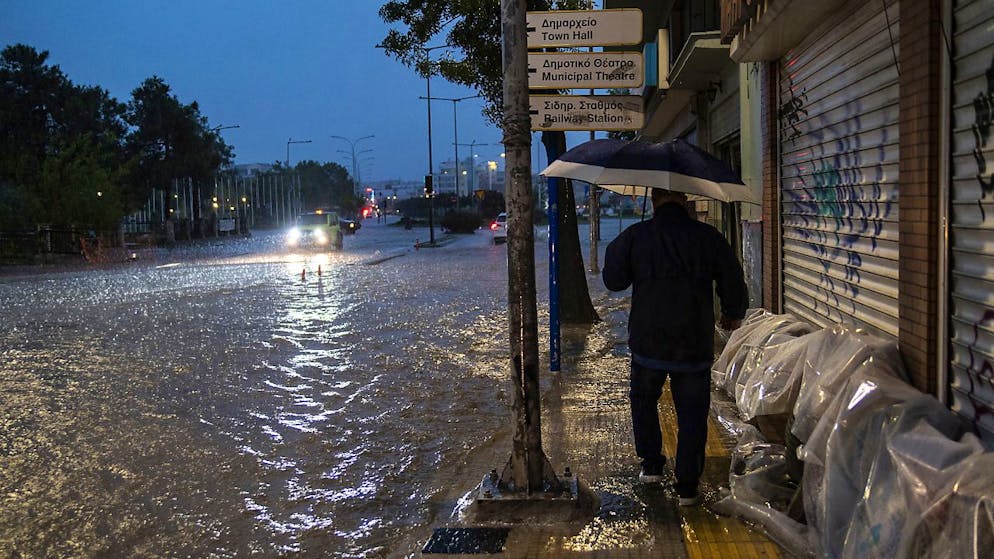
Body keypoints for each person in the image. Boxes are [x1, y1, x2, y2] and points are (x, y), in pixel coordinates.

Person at [602, 188, 748, 506]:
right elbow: (732, 277)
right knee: (692, 413)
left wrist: (628, 246)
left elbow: (613, 281)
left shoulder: (636, 236)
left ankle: (652, 466)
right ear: (684, 200)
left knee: (643, 402)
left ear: (653, 201)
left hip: (647, 342)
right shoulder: (707, 237)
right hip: (692, 342)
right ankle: (687, 487)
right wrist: (732, 313)